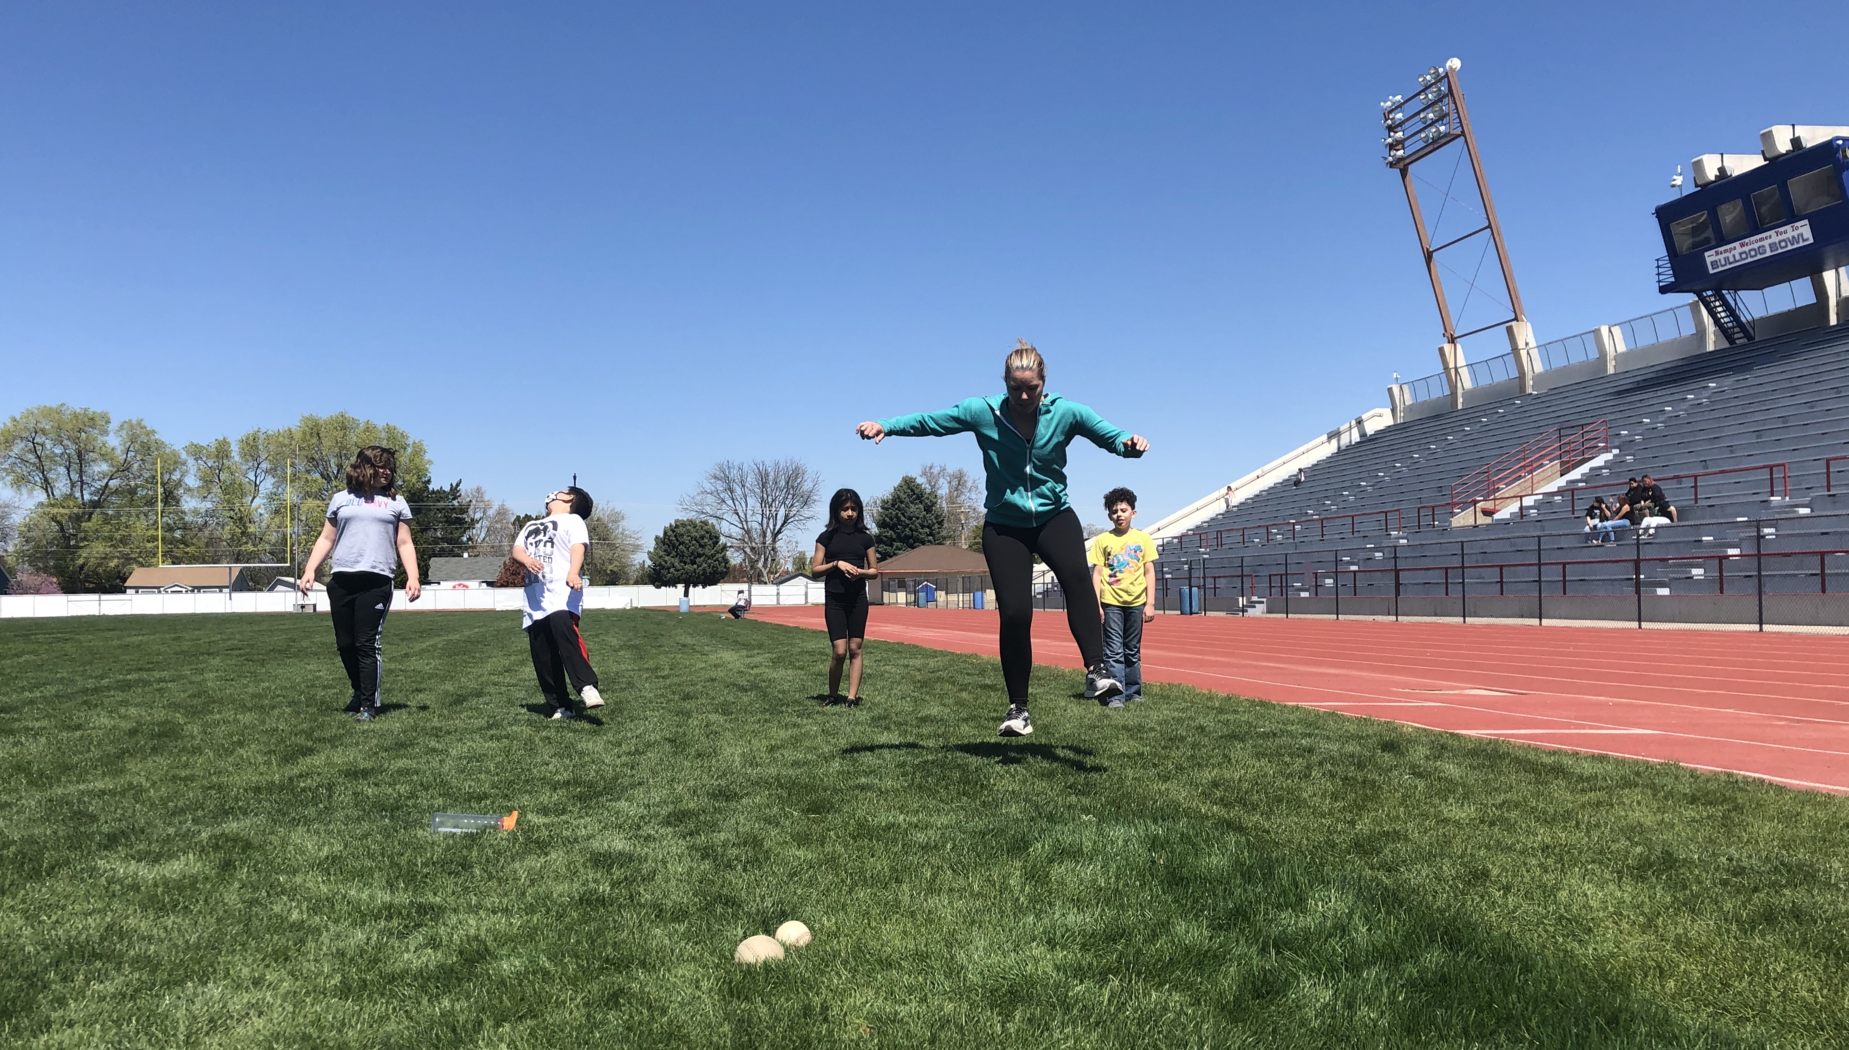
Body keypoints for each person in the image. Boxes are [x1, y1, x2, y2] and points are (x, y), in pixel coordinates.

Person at [856, 340, 1149, 737]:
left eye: (1032, 388)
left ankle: (1096, 670)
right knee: (1015, 613)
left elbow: (1110, 436)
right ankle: (1018, 709)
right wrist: (888, 427)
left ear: (1045, 383)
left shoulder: (1066, 412)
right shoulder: (984, 411)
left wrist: (1129, 446)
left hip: (1053, 517)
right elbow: (934, 421)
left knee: (1079, 581)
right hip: (1004, 524)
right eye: (1016, 388)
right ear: (1005, 384)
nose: (1025, 396)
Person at [297, 446, 421, 721]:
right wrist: (310, 569)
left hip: (376, 581)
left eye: (390, 467)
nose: (386, 471)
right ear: (363, 468)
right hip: (342, 579)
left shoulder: (396, 502)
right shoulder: (341, 499)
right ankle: (358, 690)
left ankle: (369, 705)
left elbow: (404, 541)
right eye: (380, 466)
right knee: (345, 644)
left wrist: (413, 576)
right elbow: (326, 538)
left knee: (367, 643)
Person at [511, 486, 605, 720]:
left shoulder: (573, 520)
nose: (553, 492)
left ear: (569, 497)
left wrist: (574, 572)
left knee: (566, 636)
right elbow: (517, 550)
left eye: (560, 490)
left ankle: (586, 686)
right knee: (542, 652)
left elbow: (578, 548)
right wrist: (527, 560)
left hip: (562, 593)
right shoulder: (531, 525)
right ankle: (560, 706)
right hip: (535, 599)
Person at [1088, 487, 1157, 710]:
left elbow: (1149, 572)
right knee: (1113, 651)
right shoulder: (1102, 540)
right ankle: (1114, 695)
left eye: (1124, 510)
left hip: (1136, 603)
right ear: (1109, 515)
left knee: (1132, 651)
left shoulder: (1143, 539)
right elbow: (1097, 574)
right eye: (1115, 511)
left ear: (1133, 513)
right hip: (1111, 603)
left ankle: (1133, 692)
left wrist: (1150, 603)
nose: (1119, 514)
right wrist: (1096, 604)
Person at [812, 487, 879, 707]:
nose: (849, 513)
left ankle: (851, 697)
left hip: (858, 599)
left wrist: (859, 572)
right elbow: (815, 570)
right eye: (845, 509)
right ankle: (832, 695)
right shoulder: (825, 538)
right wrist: (836, 564)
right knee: (839, 651)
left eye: (854, 509)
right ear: (836, 511)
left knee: (855, 648)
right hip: (835, 600)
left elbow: (874, 571)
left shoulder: (865, 539)